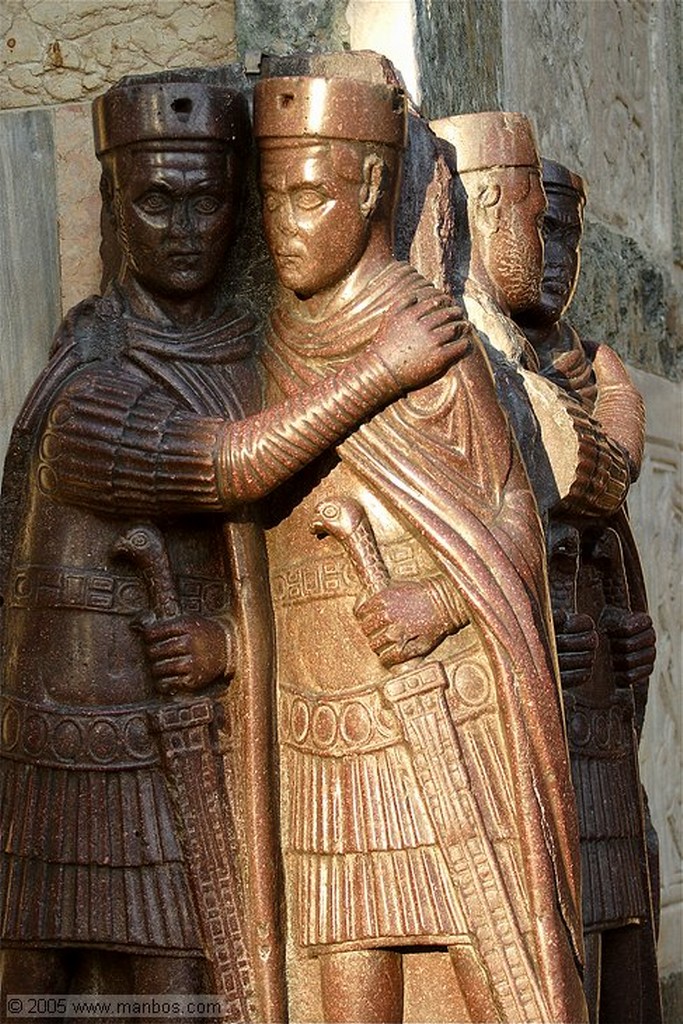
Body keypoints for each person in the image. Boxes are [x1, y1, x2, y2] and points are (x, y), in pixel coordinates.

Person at [0, 71, 468, 1023]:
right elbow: (225, 468)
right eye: (155, 200)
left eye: (208, 200)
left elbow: (267, 557)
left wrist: (226, 644)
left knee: (197, 986)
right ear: (113, 204)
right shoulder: (90, 387)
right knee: (63, 991)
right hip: (78, 758)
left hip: (197, 748)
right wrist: (382, 366)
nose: (182, 227)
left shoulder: (248, 352)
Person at [254, 70, 587, 1024]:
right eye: (272, 200)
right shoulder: (271, 337)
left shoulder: (430, 338)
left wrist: (435, 602)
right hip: (321, 721)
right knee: (345, 970)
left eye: (310, 196)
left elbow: (513, 518)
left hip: (440, 706)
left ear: (366, 190)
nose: (284, 226)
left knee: (491, 955)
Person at [516, 159, 661, 1024]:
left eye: (567, 230)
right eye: (539, 227)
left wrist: (625, 631)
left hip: (599, 721)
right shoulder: (480, 362)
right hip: (531, 733)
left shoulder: (588, 361)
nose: (554, 250)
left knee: (617, 920)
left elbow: (609, 478)